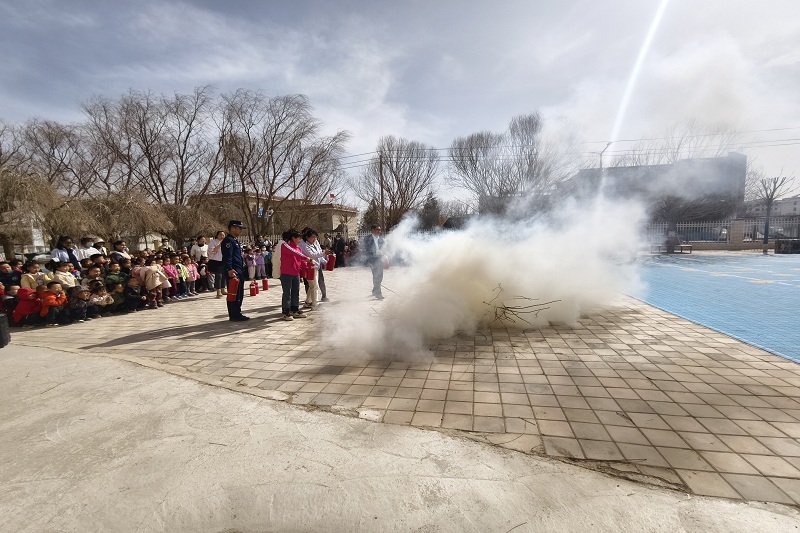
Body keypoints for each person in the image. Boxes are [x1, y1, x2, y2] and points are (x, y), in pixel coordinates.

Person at [279, 228, 313, 321]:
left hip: (296, 273)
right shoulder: (285, 245)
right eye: (299, 238)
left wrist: (307, 268)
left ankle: (295, 310)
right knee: (287, 293)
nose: (300, 240)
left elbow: (301, 260)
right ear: (293, 238)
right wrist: (307, 258)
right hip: (286, 273)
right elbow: (295, 253)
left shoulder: (298, 248)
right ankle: (286, 312)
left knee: (295, 292)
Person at [221, 220, 249, 321]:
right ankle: (234, 314)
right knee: (234, 292)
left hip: (238, 269)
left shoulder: (234, 240)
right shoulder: (228, 240)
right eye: (239, 228)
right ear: (233, 228)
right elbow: (227, 257)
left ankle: (237, 312)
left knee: (239, 292)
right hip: (234, 270)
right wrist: (229, 269)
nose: (241, 230)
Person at [299, 229, 328, 310]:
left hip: (316, 267)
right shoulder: (304, 245)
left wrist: (325, 261)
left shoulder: (315, 243)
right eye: (313, 237)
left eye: (316, 237)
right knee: (315, 286)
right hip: (309, 268)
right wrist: (324, 252)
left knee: (312, 286)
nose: (315, 239)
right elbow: (311, 255)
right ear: (307, 237)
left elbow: (319, 255)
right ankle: (315, 304)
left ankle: (308, 302)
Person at [362, 224, 385, 299]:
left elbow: (384, 248)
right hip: (372, 260)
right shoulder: (367, 238)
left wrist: (383, 253)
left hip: (379, 259)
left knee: (380, 276)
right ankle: (378, 293)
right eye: (377, 229)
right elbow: (366, 249)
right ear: (372, 230)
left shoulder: (381, 239)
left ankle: (375, 290)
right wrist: (374, 253)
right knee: (376, 276)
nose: (379, 231)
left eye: (380, 230)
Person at [207, 230, 226, 298]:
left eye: (223, 235)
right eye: (220, 234)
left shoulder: (226, 242)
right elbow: (213, 250)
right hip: (215, 261)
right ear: (217, 235)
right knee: (219, 276)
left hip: (223, 260)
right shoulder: (212, 242)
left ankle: (223, 289)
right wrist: (220, 245)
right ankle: (218, 291)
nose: (222, 236)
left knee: (224, 275)